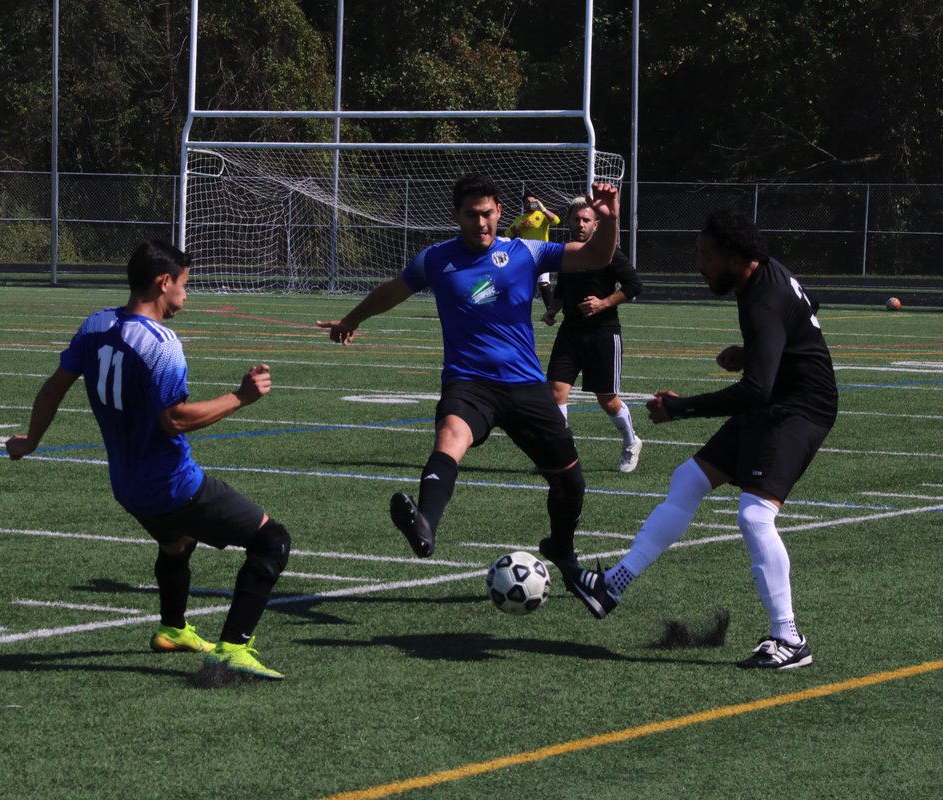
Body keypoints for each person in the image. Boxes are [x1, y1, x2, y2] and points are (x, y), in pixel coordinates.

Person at [317, 174, 622, 595]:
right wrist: (352, 319)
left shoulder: (526, 251)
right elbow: (393, 290)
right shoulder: (436, 259)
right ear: (456, 216)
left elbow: (595, 258)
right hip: (469, 381)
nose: (481, 223)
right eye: (471, 215)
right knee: (451, 434)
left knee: (571, 483)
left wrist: (610, 219)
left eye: (487, 213)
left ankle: (562, 549)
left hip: (525, 384)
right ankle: (424, 521)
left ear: (500, 212)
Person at [6, 240, 290, 681]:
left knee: (177, 543)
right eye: (184, 285)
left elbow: (52, 388)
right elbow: (175, 419)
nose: (186, 295)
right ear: (164, 282)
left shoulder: (96, 324)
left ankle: (173, 629)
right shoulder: (161, 344)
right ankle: (233, 648)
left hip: (127, 485)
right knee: (272, 540)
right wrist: (241, 396)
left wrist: (31, 440)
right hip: (171, 483)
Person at [570, 210, 837, 671]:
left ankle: (788, 638)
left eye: (708, 257)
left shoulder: (763, 301)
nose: (700, 265)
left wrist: (680, 407)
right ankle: (612, 584)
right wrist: (757, 351)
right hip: (777, 402)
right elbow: (808, 307)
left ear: (737, 258)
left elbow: (757, 390)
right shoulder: (761, 279)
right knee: (688, 479)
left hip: (799, 408)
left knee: (754, 515)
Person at [540, 196, 645, 473]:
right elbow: (563, 287)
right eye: (576, 219)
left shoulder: (608, 253)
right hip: (570, 332)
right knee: (555, 393)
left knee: (607, 399)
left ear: (596, 224)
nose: (580, 224)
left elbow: (635, 285)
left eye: (586, 220)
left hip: (603, 333)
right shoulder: (567, 252)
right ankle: (562, 457)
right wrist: (553, 308)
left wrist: (604, 303)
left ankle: (631, 442)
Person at [505, 192, 562, 307]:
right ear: (523, 205)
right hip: (526, 254)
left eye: (533, 201)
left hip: (542, 253)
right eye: (527, 202)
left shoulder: (542, 216)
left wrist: (543, 209)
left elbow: (556, 220)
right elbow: (507, 234)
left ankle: (550, 310)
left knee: (543, 282)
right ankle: (519, 307)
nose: (530, 203)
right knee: (524, 282)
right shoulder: (520, 219)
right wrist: (518, 226)